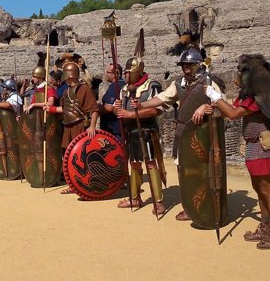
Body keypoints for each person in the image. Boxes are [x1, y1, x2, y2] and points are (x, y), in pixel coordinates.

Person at [205, 54, 270, 249]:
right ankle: (265, 225)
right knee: (259, 190)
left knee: (268, 190)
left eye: (241, 71)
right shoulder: (248, 96)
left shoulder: (258, 97)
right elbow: (231, 109)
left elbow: (234, 114)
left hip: (263, 148)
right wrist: (216, 104)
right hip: (253, 147)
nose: (238, 74)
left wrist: (216, 97)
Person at [137, 48, 224, 221]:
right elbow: (163, 98)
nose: (186, 68)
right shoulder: (179, 84)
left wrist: (205, 108)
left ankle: (207, 206)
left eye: (190, 65)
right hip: (183, 131)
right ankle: (189, 206)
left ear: (198, 65)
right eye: (184, 65)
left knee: (204, 170)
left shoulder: (209, 81)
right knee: (183, 170)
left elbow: (222, 105)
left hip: (204, 133)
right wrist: (142, 105)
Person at [111, 58, 166, 214]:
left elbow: (156, 110)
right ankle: (135, 198)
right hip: (132, 132)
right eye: (126, 73)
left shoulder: (151, 86)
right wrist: (117, 109)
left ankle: (158, 201)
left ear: (137, 72)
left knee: (150, 164)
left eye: (129, 73)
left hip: (147, 130)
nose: (126, 76)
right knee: (134, 164)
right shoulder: (123, 90)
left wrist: (130, 114)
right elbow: (119, 111)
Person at [45, 53, 99, 193]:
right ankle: (73, 183)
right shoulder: (67, 91)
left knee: (80, 156)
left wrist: (92, 126)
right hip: (68, 125)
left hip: (79, 125)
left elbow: (94, 109)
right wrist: (49, 108)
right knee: (68, 155)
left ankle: (83, 183)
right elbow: (64, 109)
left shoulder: (84, 89)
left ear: (69, 74)